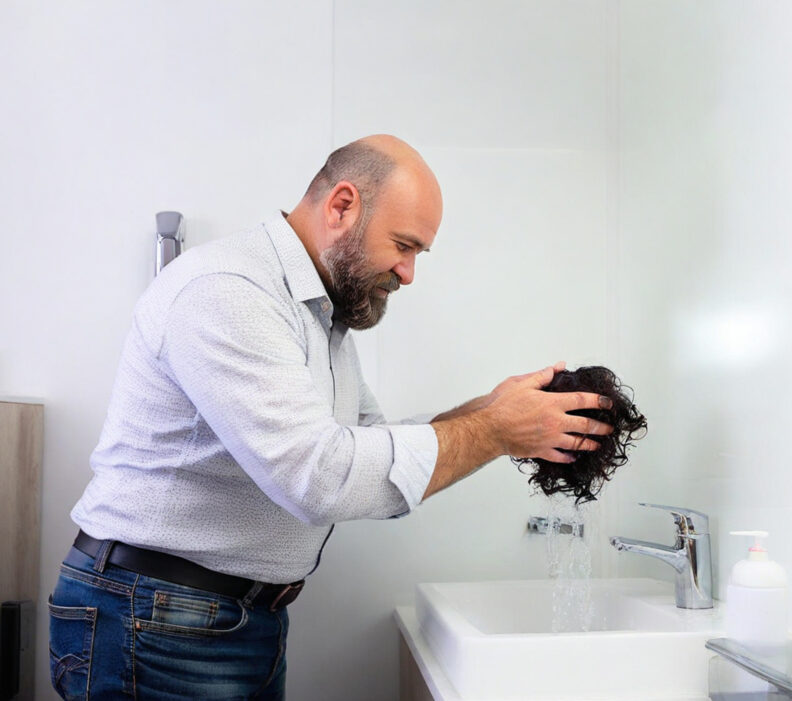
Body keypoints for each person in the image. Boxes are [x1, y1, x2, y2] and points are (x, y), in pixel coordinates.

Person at [48, 135, 614, 699]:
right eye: (404, 245)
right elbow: (320, 478)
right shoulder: (229, 292)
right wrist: (493, 432)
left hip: (230, 620)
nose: (409, 273)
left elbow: (368, 445)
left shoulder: (321, 317)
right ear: (342, 206)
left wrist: (491, 411)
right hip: (156, 622)